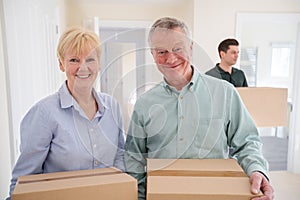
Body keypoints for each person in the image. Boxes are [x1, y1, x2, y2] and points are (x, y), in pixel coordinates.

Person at [124, 17, 274, 200]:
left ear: (191, 48)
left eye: (178, 49)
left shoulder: (224, 93)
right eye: (161, 51)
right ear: (153, 54)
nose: (170, 58)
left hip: (214, 194)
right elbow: (134, 158)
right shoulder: (144, 103)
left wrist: (257, 169)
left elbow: (247, 141)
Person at [7, 27, 125, 199]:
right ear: (61, 64)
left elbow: (120, 154)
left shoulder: (112, 106)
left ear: (99, 63)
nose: (83, 68)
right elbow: (24, 181)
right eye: (74, 60)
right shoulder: (44, 113)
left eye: (90, 59)